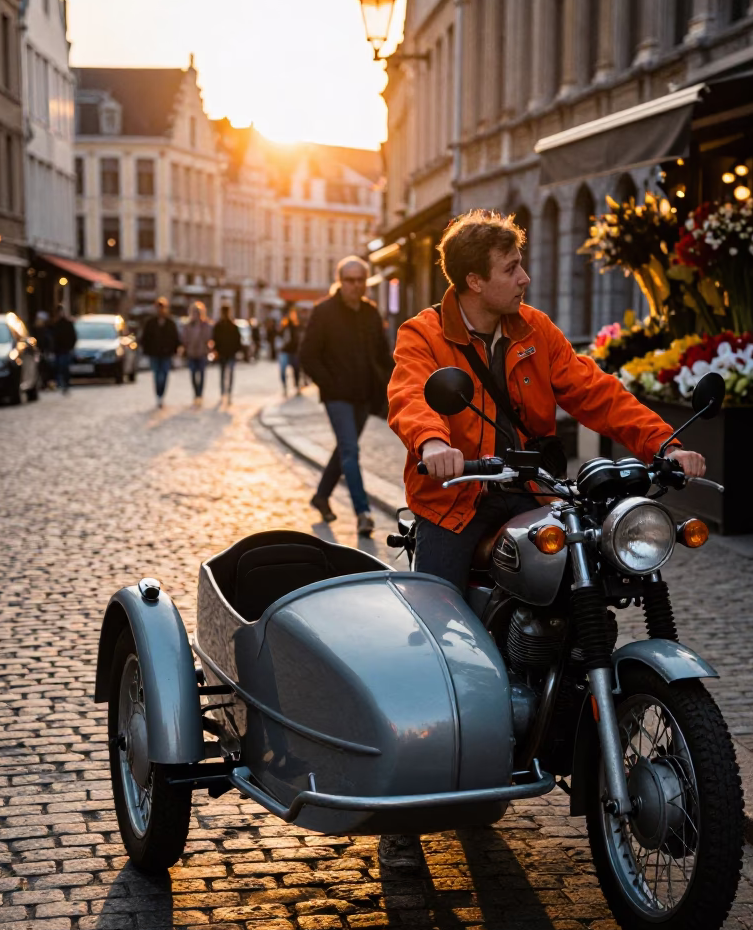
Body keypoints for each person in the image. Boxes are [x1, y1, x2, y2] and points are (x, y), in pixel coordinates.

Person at [382, 209, 706, 872]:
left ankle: (563, 699)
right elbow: (408, 396)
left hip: (530, 492)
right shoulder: (423, 334)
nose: (525, 278)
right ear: (475, 279)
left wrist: (661, 441)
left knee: (595, 564)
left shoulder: (532, 331)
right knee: (436, 637)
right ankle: (409, 803)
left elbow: (593, 391)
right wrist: (434, 441)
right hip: (456, 499)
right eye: (511, 269)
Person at [300, 257, 393, 535]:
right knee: (350, 449)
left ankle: (321, 496)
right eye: (350, 280)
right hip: (337, 396)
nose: (355, 285)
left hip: (364, 397)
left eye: (360, 280)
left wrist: (388, 385)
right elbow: (307, 355)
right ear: (340, 281)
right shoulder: (324, 312)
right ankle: (362, 511)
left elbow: (382, 355)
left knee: (344, 448)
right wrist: (329, 385)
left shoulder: (371, 313)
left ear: (366, 282)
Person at [140, 297, 180, 408]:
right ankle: (158, 396)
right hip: (154, 353)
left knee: (164, 375)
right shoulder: (150, 323)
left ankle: (161, 395)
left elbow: (175, 338)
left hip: (167, 354)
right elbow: (145, 338)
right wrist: (146, 351)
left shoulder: (170, 323)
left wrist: (174, 351)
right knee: (157, 375)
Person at [181, 301, 212, 406]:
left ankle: (200, 394)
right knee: (193, 374)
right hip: (192, 353)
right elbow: (184, 338)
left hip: (202, 352)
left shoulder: (205, 324)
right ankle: (196, 393)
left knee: (202, 374)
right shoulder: (188, 325)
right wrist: (185, 347)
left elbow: (209, 337)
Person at [212, 302, 242, 405]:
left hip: (231, 354)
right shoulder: (218, 326)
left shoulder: (233, 326)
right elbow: (215, 339)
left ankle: (229, 393)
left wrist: (235, 350)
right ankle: (222, 393)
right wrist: (216, 350)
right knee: (222, 374)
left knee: (230, 374)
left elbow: (238, 340)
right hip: (222, 354)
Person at [50, 305, 77, 395]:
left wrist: (70, 347)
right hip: (57, 350)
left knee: (64, 367)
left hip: (65, 350)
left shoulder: (67, 324)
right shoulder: (55, 324)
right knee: (58, 367)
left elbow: (73, 336)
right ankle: (60, 383)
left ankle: (65, 384)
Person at [277, 308, 302, 395]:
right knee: (283, 370)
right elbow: (278, 336)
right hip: (284, 351)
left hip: (294, 351)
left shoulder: (297, 326)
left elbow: (299, 339)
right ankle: (285, 387)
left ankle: (297, 386)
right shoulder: (284, 326)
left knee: (296, 369)